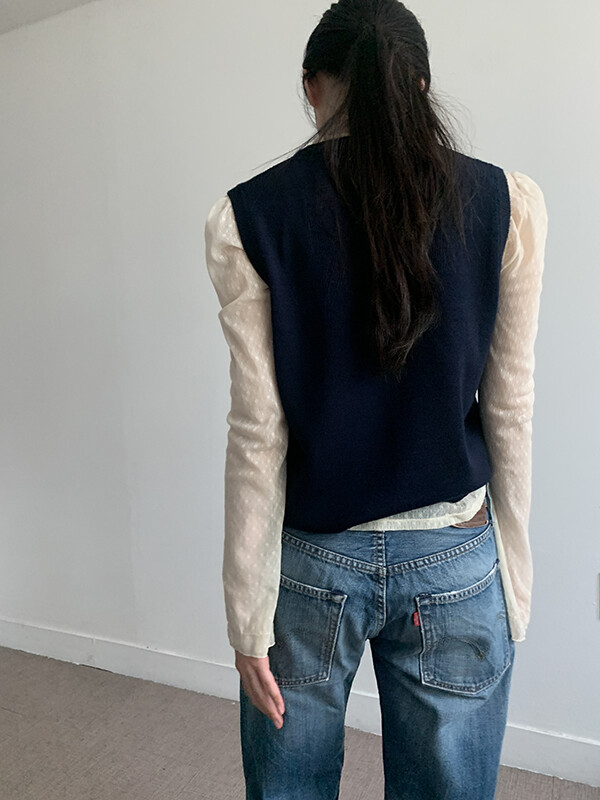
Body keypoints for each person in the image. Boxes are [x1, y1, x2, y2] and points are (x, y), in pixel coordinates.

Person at [204, 1, 548, 797]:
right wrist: (513, 578)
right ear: (419, 85)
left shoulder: (249, 216)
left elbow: (258, 430)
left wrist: (246, 613)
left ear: (312, 86)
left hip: (311, 559)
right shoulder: (507, 203)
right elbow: (511, 404)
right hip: (456, 555)